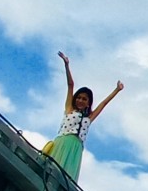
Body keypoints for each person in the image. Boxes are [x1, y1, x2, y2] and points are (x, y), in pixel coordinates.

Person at [44, 50, 124, 180]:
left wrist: (116, 90)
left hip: (76, 147)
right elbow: (71, 85)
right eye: (79, 98)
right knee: (52, 169)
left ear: (88, 103)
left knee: (66, 177)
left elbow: (103, 104)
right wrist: (66, 65)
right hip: (63, 142)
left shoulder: (89, 118)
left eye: (84, 99)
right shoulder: (69, 109)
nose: (80, 100)